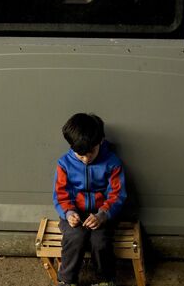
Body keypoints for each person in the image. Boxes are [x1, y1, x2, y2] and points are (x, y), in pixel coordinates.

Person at [52, 113, 127, 286]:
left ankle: (105, 279)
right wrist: (69, 212)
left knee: (100, 242)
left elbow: (117, 194)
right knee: (74, 237)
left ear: (101, 141)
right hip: (74, 213)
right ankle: (66, 280)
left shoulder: (112, 163)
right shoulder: (64, 163)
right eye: (81, 155)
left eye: (91, 152)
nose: (86, 159)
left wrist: (103, 214)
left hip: (103, 214)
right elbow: (60, 194)